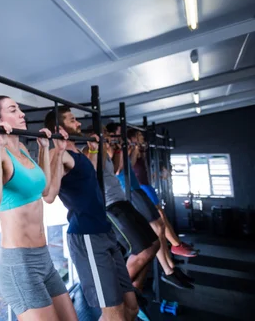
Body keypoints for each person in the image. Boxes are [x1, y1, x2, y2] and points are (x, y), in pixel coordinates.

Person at [0, 96, 78, 321]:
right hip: (20, 265)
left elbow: (46, 192)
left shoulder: (23, 148)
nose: (22, 114)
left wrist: (47, 149)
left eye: (20, 109)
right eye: (13, 110)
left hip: (44, 259)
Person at [44, 108, 138, 321]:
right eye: (73, 120)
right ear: (60, 129)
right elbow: (48, 194)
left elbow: (92, 178)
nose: (78, 124)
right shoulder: (60, 154)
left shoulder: (78, 152)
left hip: (104, 231)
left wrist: (94, 150)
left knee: (131, 307)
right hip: (86, 236)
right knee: (114, 314)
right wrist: (56, 150)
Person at [107, 124, 194, 290]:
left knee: (159, 227)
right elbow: (117, 171)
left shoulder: (120, 148)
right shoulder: (111, 150)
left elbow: (130, 164)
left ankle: (170, 268)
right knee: (155, 229)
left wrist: (131, 149)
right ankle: (167, 270)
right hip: (129, 192)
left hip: (136, 188)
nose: (122, 136)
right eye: (119, 133)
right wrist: (123, 149)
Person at [81, 126, 159, 296]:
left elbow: (116, 170)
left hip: (121, 200)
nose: (108, 137)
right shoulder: (88, 151)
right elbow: (91, 174)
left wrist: (118, 150)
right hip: (110, 205)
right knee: (142, 251)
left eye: (108, 134)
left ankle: (135, 291)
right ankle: (118, 293)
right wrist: (97, 147)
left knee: (154, 244)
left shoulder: (105, 150)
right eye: (105, 134)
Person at [128, 130, 198, 257]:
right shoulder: (130, 150)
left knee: (162, 216)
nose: (142, 138)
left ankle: (176, 245)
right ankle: (176, 245)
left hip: (146, 186)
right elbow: (129, 166)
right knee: (159, 217)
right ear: (133, 138)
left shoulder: (139, 151)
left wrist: (140, 148)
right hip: (140, 187)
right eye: (139, 137)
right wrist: (135, 148)